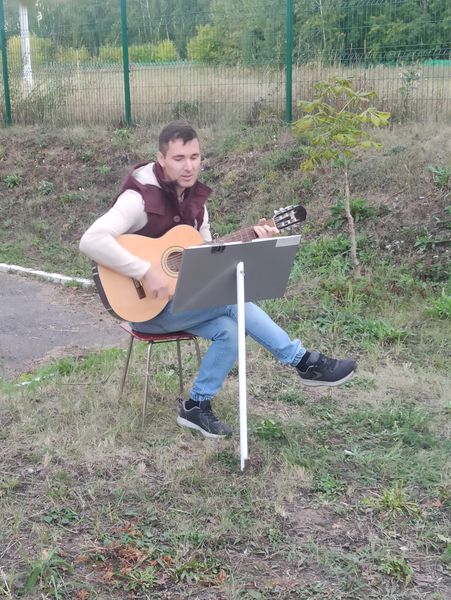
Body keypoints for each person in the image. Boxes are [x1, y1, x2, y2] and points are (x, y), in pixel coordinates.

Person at [80, 121, 357, 439]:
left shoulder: (197, 206)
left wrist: (255, 237)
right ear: (161, 159)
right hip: (144, 309)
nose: (189, 166)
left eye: (194, 157)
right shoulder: (138, 199)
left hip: (181, 303)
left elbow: (208, 261)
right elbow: (91, 240)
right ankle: (304, 361)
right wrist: (144, 270)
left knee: (229, 330)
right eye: (179, 158)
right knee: (231, 300)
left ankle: (196, 406)